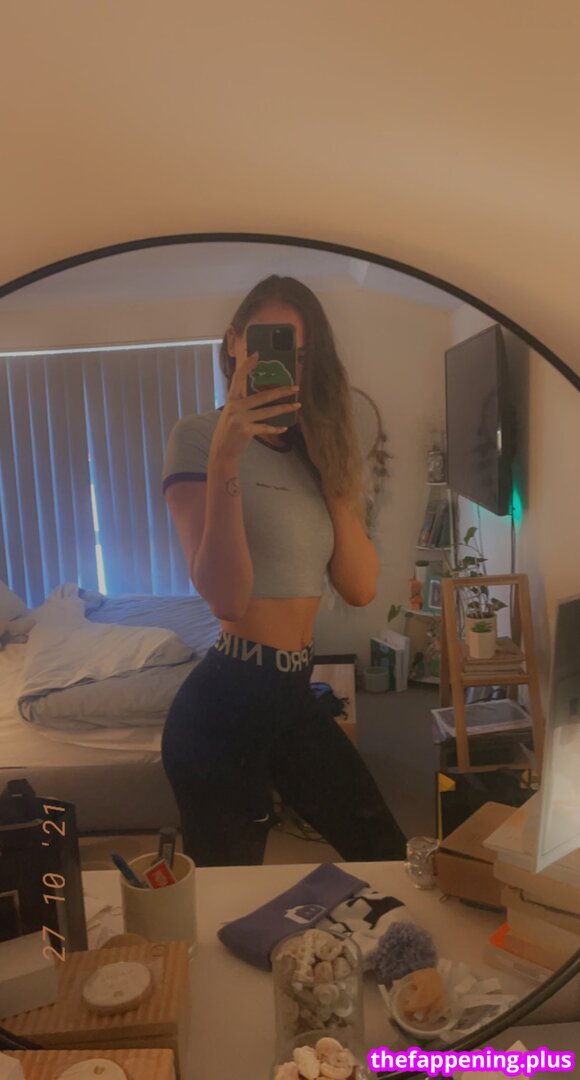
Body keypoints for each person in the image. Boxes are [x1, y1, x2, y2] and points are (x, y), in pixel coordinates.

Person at [161, 274, 407, 866]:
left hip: (294, 693)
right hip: (223, 707)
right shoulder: (197, 438)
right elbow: (226, 598)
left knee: (385, 853)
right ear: (233, 343)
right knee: (229, 891)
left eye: (296, 355)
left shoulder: (313, 448)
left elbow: (360, 587)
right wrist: (227, 456)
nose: (279, 365)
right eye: (265, 343)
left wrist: (333, 472)